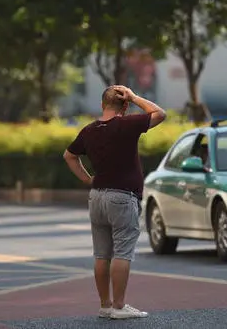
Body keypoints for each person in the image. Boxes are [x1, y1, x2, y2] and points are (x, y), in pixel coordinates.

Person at [63, 85, 166, 319]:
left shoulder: (89, 130)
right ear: (125, 105)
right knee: (122, 253)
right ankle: (119, 307)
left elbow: (69, 156)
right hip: (122, 197)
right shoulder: (126, 125)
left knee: (101, 254)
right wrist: (136, 96)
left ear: (102, 105)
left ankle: (105, 304)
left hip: (97, 197)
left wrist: (88, 180)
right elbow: (160, 114)